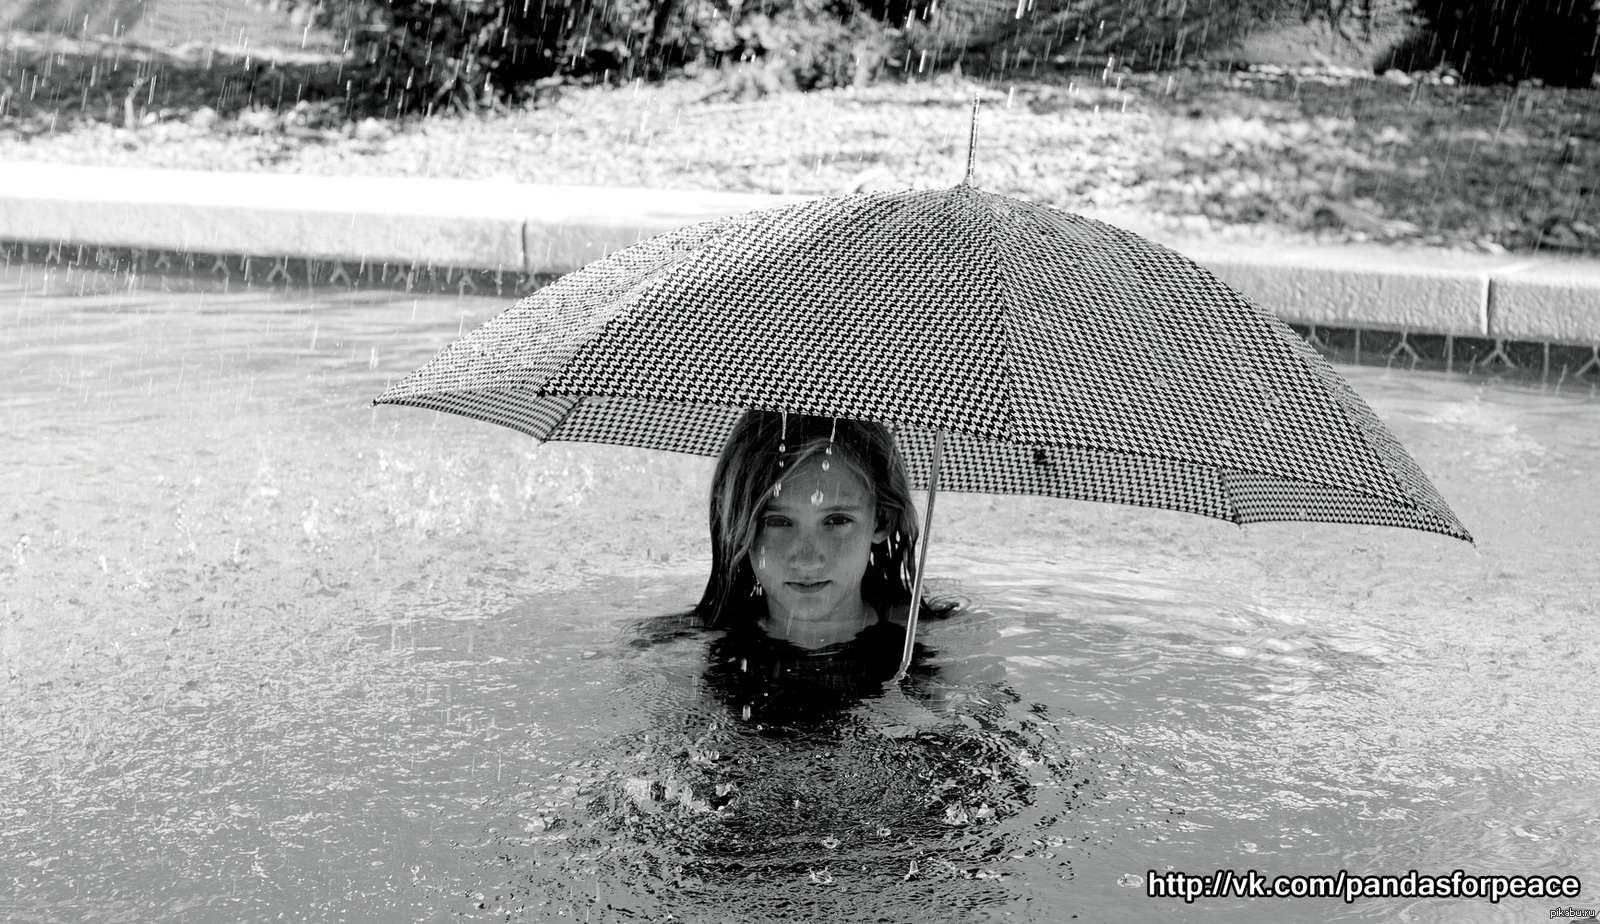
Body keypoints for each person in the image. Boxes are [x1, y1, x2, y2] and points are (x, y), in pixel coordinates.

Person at [690, 410, 951, 726]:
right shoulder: (691, 653)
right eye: (777, 521)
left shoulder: (942, 650)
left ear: (881, 518)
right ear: (740, 523)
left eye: (837, 520)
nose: (807, 560)